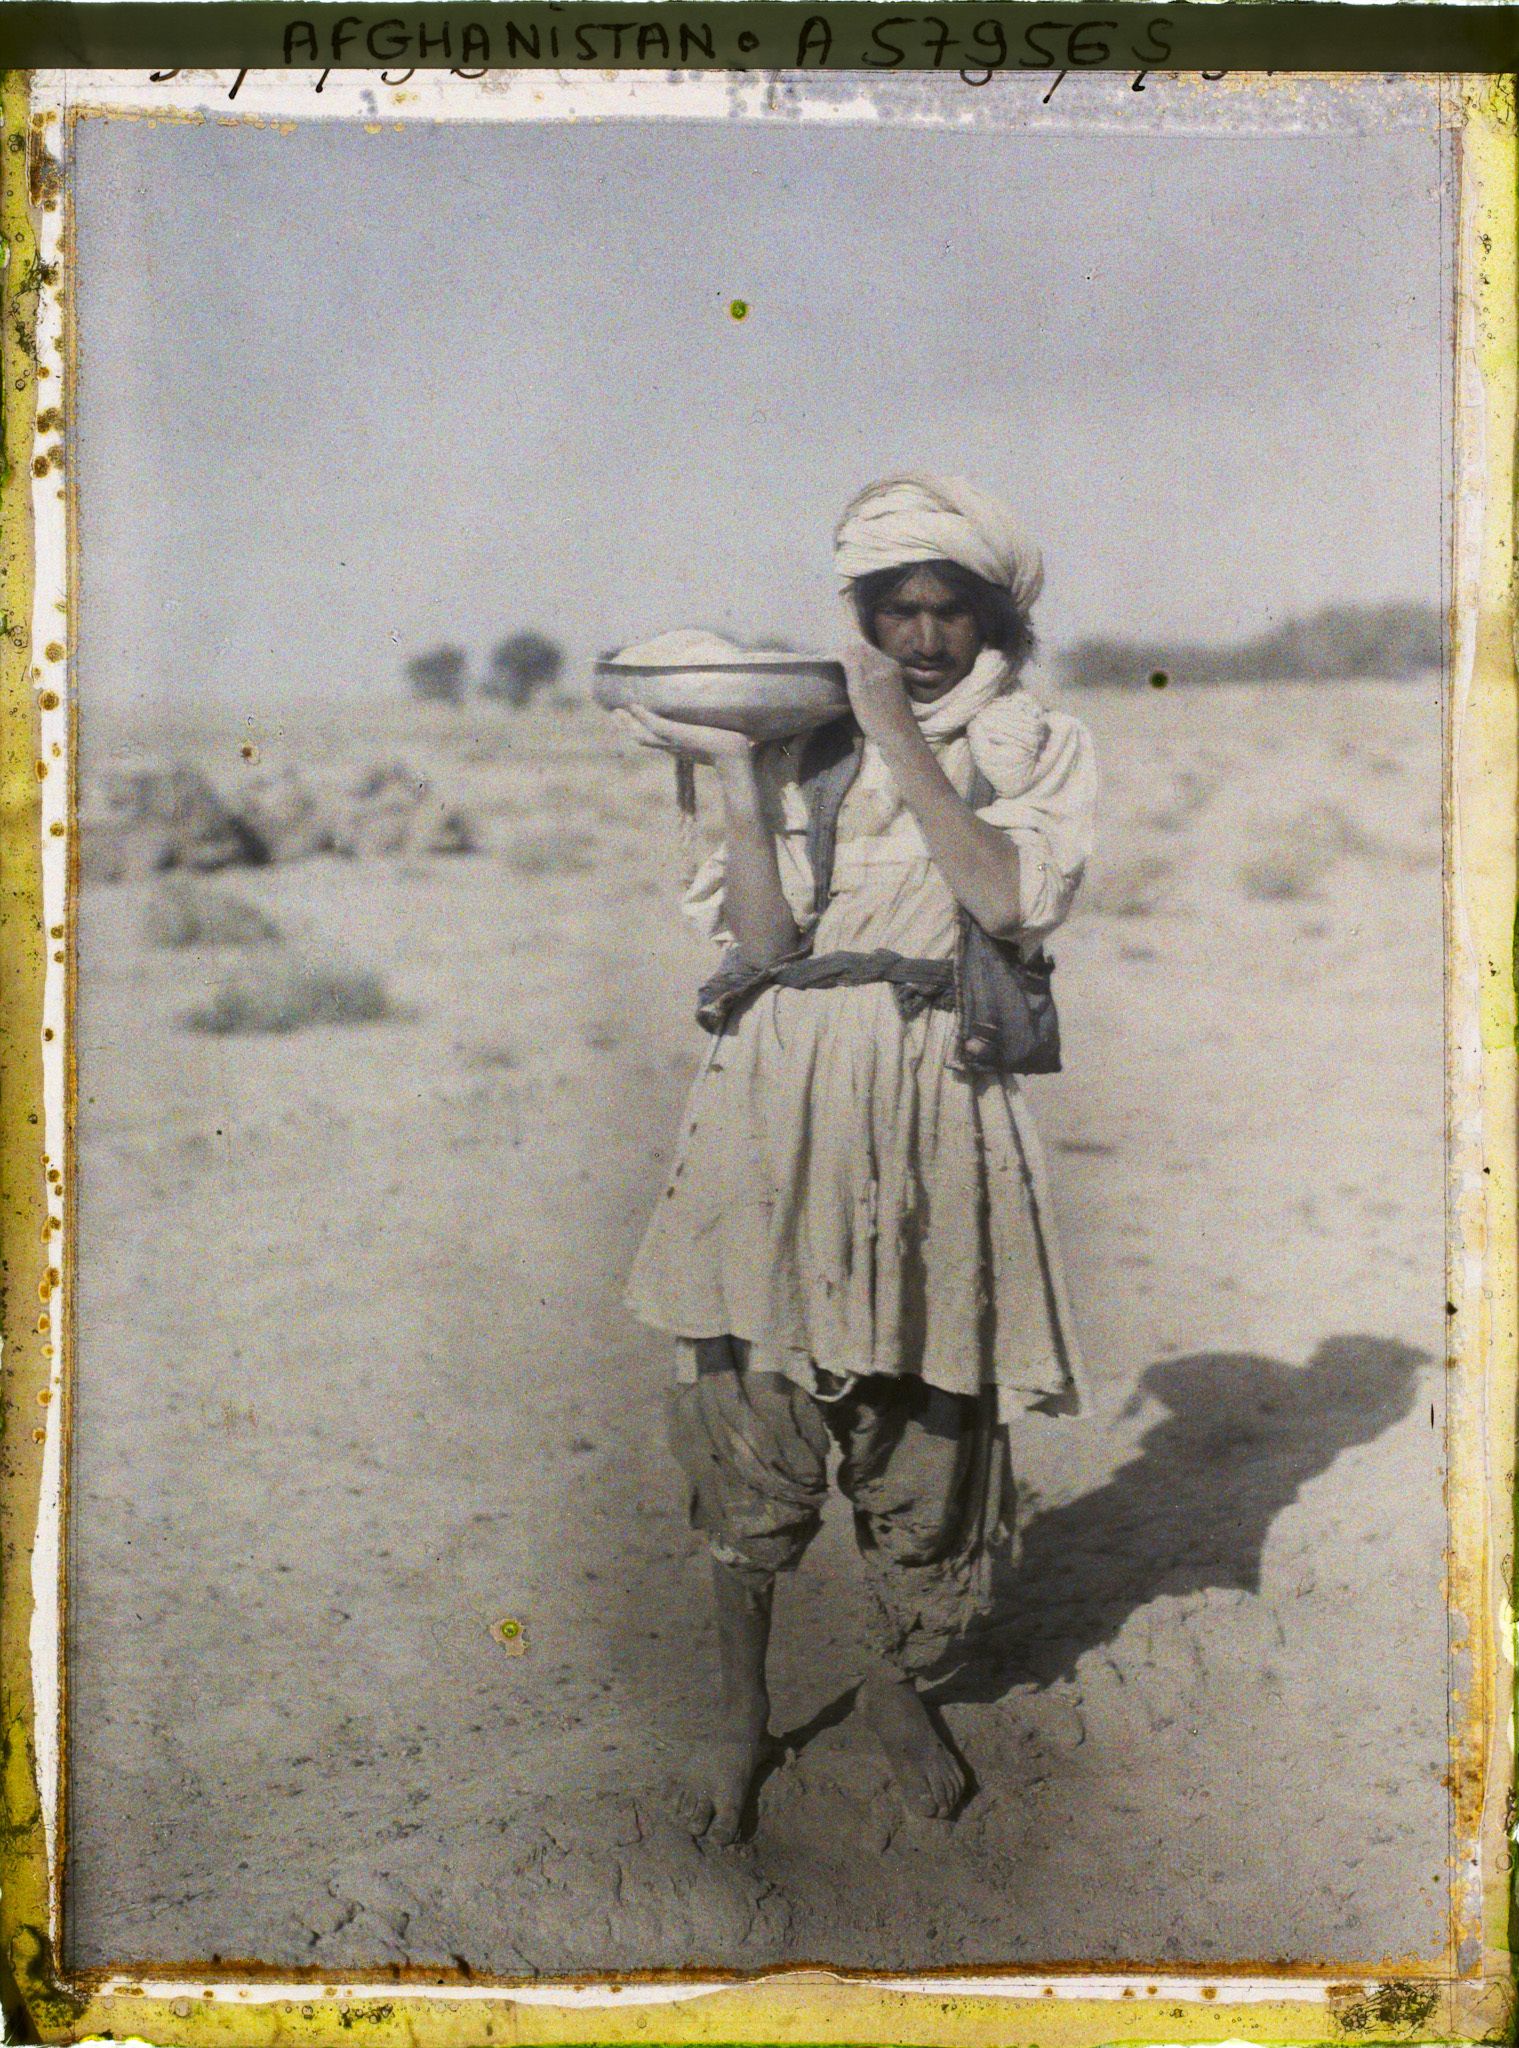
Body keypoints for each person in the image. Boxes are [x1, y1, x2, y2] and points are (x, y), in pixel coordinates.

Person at [619, 473, 1097, 1844]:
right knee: (751, 1406)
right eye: (900, 611)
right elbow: (763, 948)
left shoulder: (1034, 744)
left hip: (937, 1095)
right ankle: (739, 1722)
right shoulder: (794, 740)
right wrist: (728, 768)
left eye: (953, 610)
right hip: (779, 1095)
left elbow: (1007, 898)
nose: (928, 636)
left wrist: (903, 740)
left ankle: (901, 1684)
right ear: (863, 613)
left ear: (996, 616)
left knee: (928, 1413)